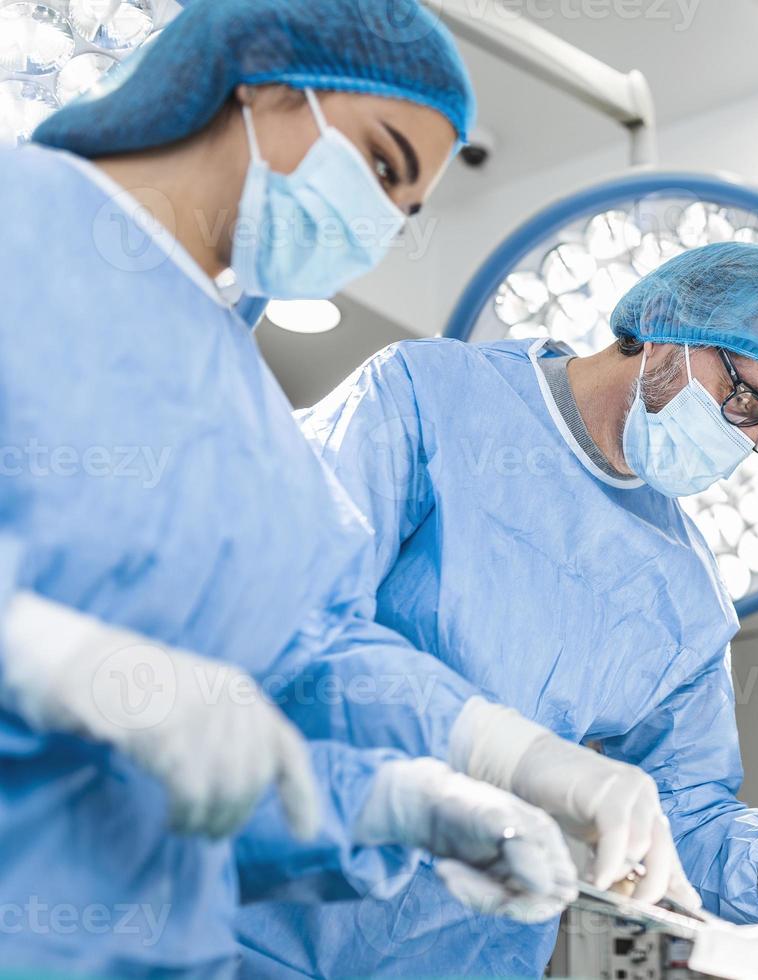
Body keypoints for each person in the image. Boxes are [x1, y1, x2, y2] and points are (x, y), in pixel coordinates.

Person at [0, 2, 579, 973]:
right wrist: (62, 659)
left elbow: (213, 770)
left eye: (404, 213)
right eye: (382, 163)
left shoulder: (251, 422)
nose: (377, 227)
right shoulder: (22, 225)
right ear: (266, 82)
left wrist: (388, 801)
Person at [235, 242, 758, 976]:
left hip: (467, 955)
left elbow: (687, 802)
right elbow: (297, 617)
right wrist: (512, 756)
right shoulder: (430, 398)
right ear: (669, 325)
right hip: (256, 911)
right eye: (742, 397)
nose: (741, 438)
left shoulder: (683, 593)